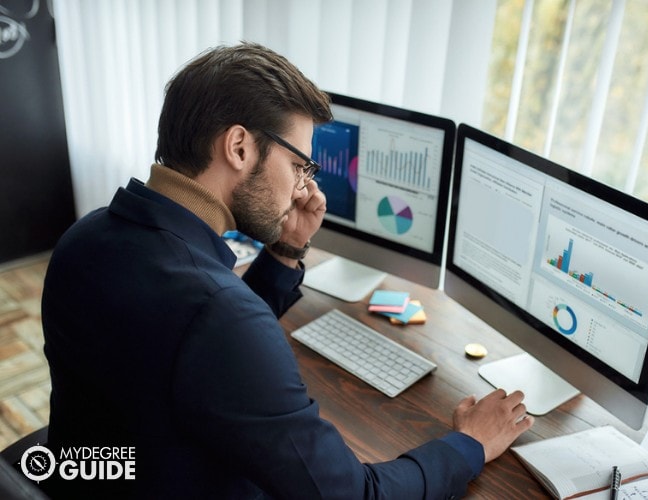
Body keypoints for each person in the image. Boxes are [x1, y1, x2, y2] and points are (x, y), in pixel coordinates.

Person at [41, 42, 533, 499]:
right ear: (239, 147)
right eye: (300, 165)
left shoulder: (84, 239)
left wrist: (285, 251)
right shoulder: (217, 315)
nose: (303, 188)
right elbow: (355, 495)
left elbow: (192, 353)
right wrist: (470, 442)